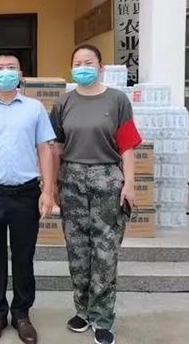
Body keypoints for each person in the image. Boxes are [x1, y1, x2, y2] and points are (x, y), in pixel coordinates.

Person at [49, 44, 142, 344]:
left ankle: (102, 318)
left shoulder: (117, 100)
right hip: (72, 180)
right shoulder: (63, 103)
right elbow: (57, 148)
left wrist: (129, 183)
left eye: (88, 62)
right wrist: (53, 186)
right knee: (77, 250)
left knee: (105, 251)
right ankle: (82, 310)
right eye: (77, 63)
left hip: (107, 179)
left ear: (100, 67)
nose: (83, 67)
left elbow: (127, 146)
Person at [0, 50, 56, 344]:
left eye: (11, 67)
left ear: (20, 74)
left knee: (23, 256)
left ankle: (22, 314)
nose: (5, 72)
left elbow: (45, 149)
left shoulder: (34, 109)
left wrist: (48, 192)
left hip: (26, 192)